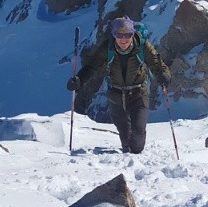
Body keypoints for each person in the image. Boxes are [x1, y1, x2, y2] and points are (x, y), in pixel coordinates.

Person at [68, 17, 171, 154]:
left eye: (127, 35)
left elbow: (156, 63)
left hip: (138, 93)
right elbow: (92, 66)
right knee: (125, 135)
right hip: (115, 95)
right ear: (114, 35)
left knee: (138, 132)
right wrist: (79, 80)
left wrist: (164, 75)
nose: (123, 39)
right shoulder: (107, 48)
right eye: (119, 35)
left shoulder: (142, 45)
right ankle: (127, 158)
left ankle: (135, 154)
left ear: (133, 34)